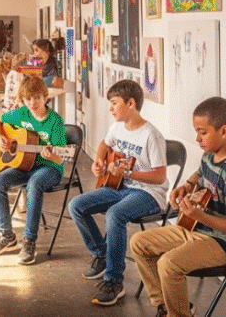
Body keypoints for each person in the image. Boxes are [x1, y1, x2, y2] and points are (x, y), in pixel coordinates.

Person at [130, 97, 226, 317]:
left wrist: (199, 216)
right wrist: (186, 186)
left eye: (203, 132)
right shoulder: (209, 155)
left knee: (169, 264)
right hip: (197, 229)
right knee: (139, 242)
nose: (197, 138)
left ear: (224, 131)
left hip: (224, 243)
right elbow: (200, 174)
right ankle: (167, 307)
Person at [68, 80, 168, 306]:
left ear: (130, 103)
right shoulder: (117, 127)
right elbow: (105, 144)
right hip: (120, 187)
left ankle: (114, 280)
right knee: (76, 205)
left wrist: (129, 174)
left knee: (114, 215)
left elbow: (160, 177)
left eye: (114, 103)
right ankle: (102, 254)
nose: (110, 108)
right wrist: (98, 161)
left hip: (149, 194)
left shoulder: (151, 135)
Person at [0, 75, 67, 265]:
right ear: (22, 100)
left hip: (49, 168)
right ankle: (6, 235)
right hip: (24, 165)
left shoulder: (55, 121)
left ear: (45, 97)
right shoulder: (22, 113)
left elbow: (61, 157)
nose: (33, 102)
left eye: (37, 97)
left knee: (35, 183)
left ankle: (29, 241)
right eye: (28, 99)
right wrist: (1, 136)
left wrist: (51, 155)